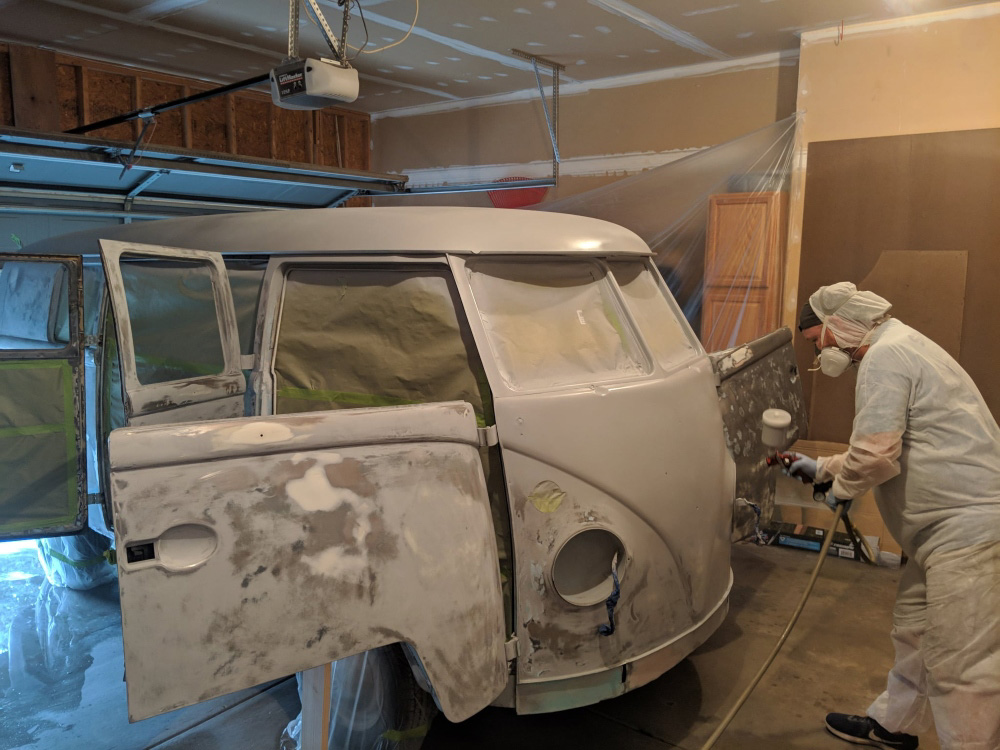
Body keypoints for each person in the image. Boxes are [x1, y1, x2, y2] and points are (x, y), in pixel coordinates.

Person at [785, 282, 1000, 750]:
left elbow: (877, 455)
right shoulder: (902, 344)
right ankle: (894, 725)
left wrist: (837, 489)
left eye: (816, 340)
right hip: (939, 535)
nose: (820, 353)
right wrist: (819, 467)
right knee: (915, 631)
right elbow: (890, 447)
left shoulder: (885, 357)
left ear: (839, 325)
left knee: (961, 661)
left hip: (968, 533)